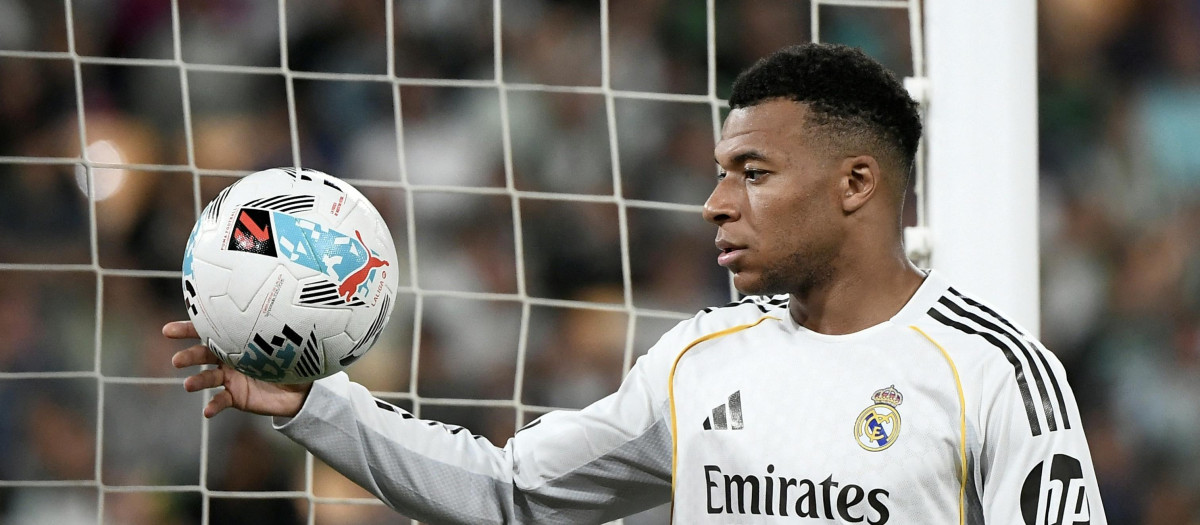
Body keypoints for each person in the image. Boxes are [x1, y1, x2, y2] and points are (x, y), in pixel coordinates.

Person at [167, 43, 1107, 524]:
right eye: (718, 170)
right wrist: (314, 405)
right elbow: (509, 495)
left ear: (857, 183)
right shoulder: (697, 363)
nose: (713, 203)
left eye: (753, 172)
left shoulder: (995, 373)